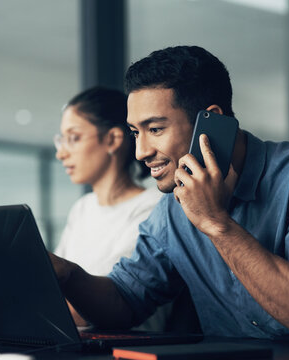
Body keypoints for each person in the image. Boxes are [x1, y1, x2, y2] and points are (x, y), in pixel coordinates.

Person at [50, 45, 289, 345]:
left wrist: (216, 222)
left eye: (155, 129)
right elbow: (124, 300)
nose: (141, 152)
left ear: (213, 121)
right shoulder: (171, 210)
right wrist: (67, 274)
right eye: (136, 132)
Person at [54, 86, 196, 331]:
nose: (61, 153)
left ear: (112, 140)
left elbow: (93, 305)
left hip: (125, 345)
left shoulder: (156, 208)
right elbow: (51, 290)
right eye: (61, 140)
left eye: (74, 138)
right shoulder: (82, 208)